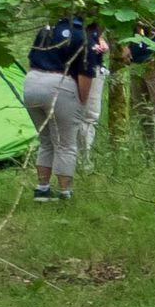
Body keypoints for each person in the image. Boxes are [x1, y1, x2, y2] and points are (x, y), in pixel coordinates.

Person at [23, 11, 97, 202]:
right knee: (65, 143)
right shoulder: (83, 37)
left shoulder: (46, 29)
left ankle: (42, 189)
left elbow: (31, 60)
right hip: (59, 85)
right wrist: (81, 101)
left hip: (32, 84)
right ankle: (64, 192)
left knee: (46, 140)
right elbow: (85, 75)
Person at [75, 27, 111, 170]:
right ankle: (83, 161)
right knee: (88, 116)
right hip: (88, 70)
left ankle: (80, 158)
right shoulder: (82, 27)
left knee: (84, 116)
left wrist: (100, 39)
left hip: (88, 67)